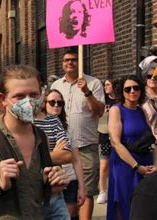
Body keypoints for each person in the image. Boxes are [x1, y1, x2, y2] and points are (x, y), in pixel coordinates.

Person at [0, 65, 69, 219]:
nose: (29, 102)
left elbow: (36, 196)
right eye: (20, 96)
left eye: (34, 95)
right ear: (3, 100)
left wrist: (53, 185)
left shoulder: (41, 138)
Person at [51, 50, 105, 220]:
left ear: (80, 62)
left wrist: (87, 92)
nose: (70, 63)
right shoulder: (56, 86)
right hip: (62, 147)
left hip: (85, 145)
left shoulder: (93, 83)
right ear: (62, 63)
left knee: (86, 192)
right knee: (63, 190)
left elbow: (99, 112)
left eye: (74, 60)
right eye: (66, 60)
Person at [107, 75, 156, 220]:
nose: (132, 91)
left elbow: (151, 138)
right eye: (128, 89)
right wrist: (136, 166)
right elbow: (116, 143)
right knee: (124, 203)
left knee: (142, 206)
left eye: (136, 88)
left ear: (141, 91)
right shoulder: (116, 110)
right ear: (122, 92)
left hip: (145, 164)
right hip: (125, 165)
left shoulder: (142, 111)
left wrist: (156, 164)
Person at [41, 89, 86, 220]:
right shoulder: (37, 126)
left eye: (60, 103)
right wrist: (56, 154)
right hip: (49, 181)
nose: (56, 105)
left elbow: (76, 159)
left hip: (70, 179)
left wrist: (82, 187)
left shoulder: (67, 128)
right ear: (44, 104)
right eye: (52, 102)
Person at [34, 89, 72, 219]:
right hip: (31, 193)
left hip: (55, 191)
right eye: (52, 102)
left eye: (35, 94)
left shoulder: (54, 121)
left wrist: (38, 156)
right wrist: (53, 154)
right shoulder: (23, 123)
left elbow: (67, 155)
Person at [96, 79, 116, 204]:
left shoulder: (120, 100)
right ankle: (102, 191)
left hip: (118, 137)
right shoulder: (103, 100)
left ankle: (114, 189)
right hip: (104, 135)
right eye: (105, 85)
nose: (105, 87)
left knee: (116, 165)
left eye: (108, 84)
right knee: (104, 165)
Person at [139, 56, 157, 166]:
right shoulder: (139, 96)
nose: (153, 79)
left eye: (156, 76)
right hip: (148, 146)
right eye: (149, 76)